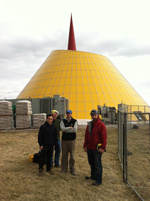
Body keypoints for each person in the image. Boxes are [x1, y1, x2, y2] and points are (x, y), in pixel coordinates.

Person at [83, 109, 107, 186]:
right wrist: (85, 145)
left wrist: (103, 148)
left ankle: (98, 180)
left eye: (95, 115)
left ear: (98, 115)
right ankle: (93, 176)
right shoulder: (89, 124)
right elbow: (86, 136)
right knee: (91, 163)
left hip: (97, 149)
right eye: (93, 115)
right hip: (90, 147)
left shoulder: (101, 125)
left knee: (97, 164)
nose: (94, 116)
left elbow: (104, 137)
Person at [60, 110, 77, 175]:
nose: (68, 114)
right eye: (67, 113)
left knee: (72, 156)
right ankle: (64, 169)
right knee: (64, 155)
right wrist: (70, 128)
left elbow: (75, 130)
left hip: (72, 140)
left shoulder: (75, 121)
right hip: (64, 140)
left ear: (71, 114)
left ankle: (72, 169)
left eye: (69, 113)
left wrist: (66, 130)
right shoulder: (63, 121)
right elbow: (62, 129)